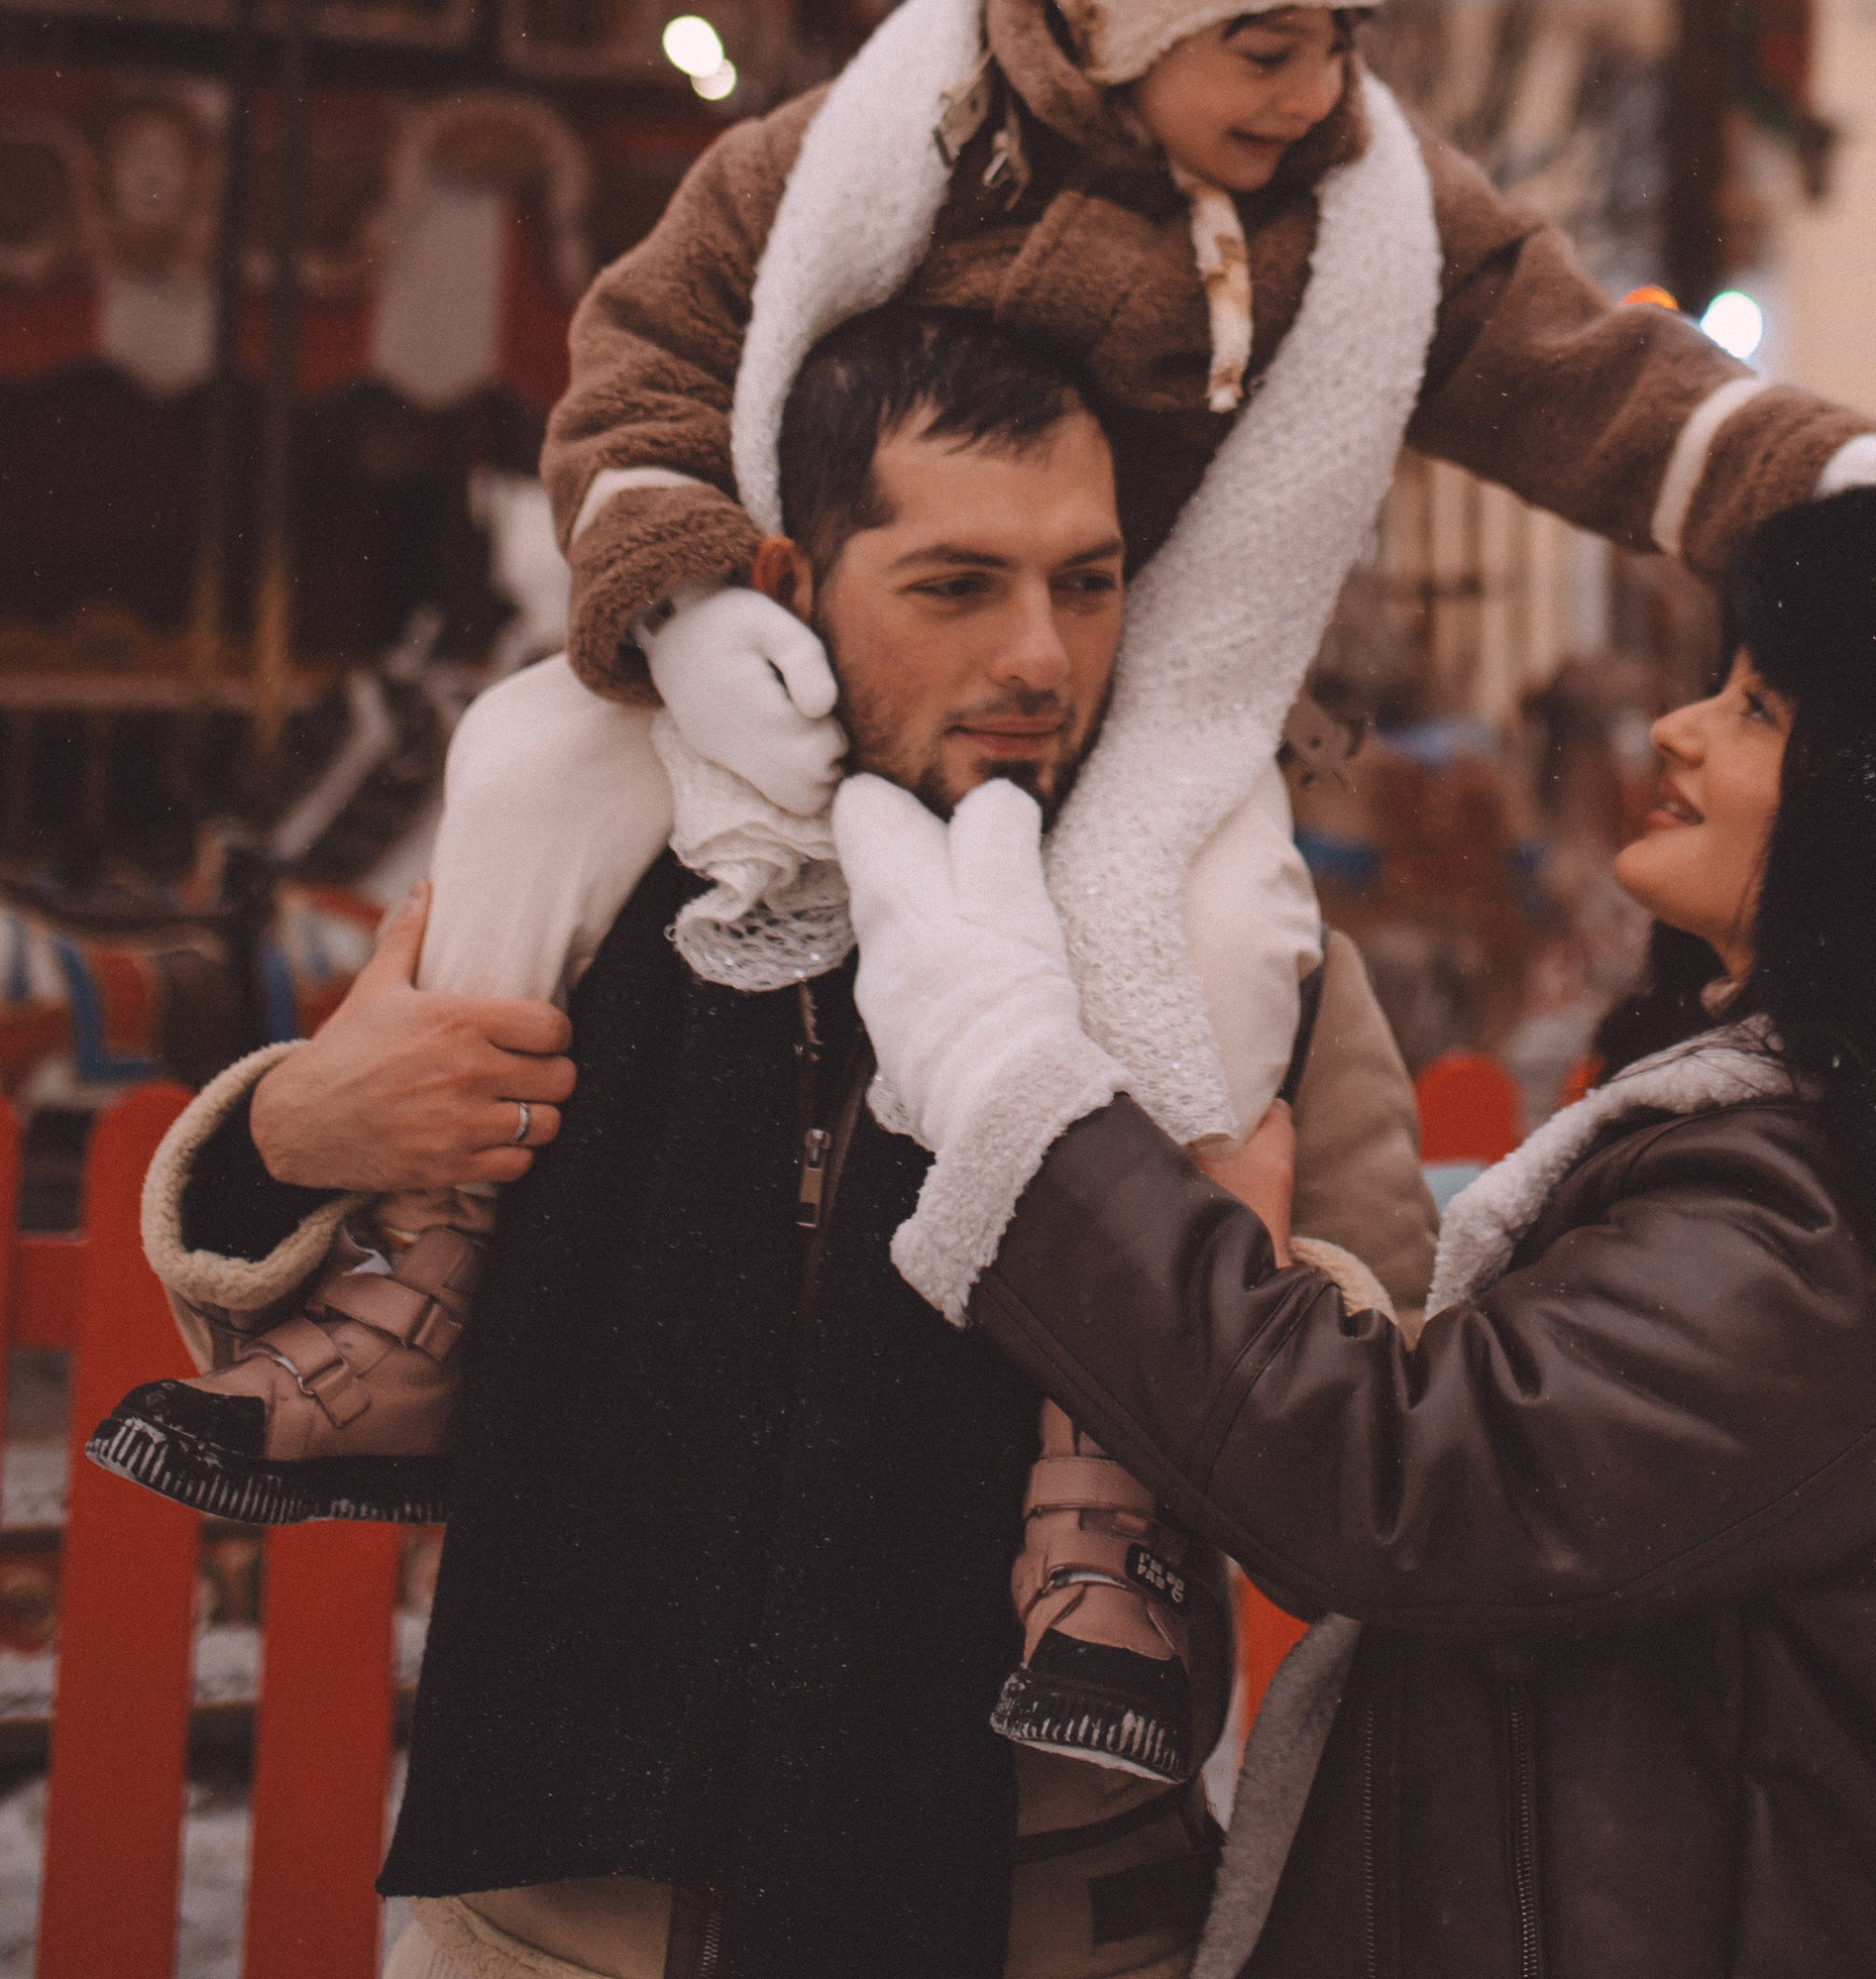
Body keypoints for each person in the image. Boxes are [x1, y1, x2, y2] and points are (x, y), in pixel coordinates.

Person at [100, 0, 1876, 1784]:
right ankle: (409, 1301)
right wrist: (332, 1126)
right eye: (1267, 40)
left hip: (1013, 1857)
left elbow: (1589, 380)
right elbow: (649, 352)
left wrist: (1859, 496)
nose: (1322, 91)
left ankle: (1099, 1497)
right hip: (581, 1830)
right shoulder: (858, 152)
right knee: (521, 761)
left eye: (1348, 37)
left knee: (1214, 935)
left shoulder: (1360, 221)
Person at [832, 480, 1876, 1979]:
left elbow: (1404, 1479)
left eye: (1763, 712)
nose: (1677, 730)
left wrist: (1013, 1087)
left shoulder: (1828, 1225)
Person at [131, 311, 1401, 1979]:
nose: (1039, 657)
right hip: (555, 1908)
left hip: (1032, 1909)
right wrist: (293, 1132)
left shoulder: (1223, 950)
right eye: (957, 587)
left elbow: (1394, 1446)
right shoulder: (597, 886)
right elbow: (292, 1355)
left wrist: (1235, 1293)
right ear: (790, 587)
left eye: (1084, 585)